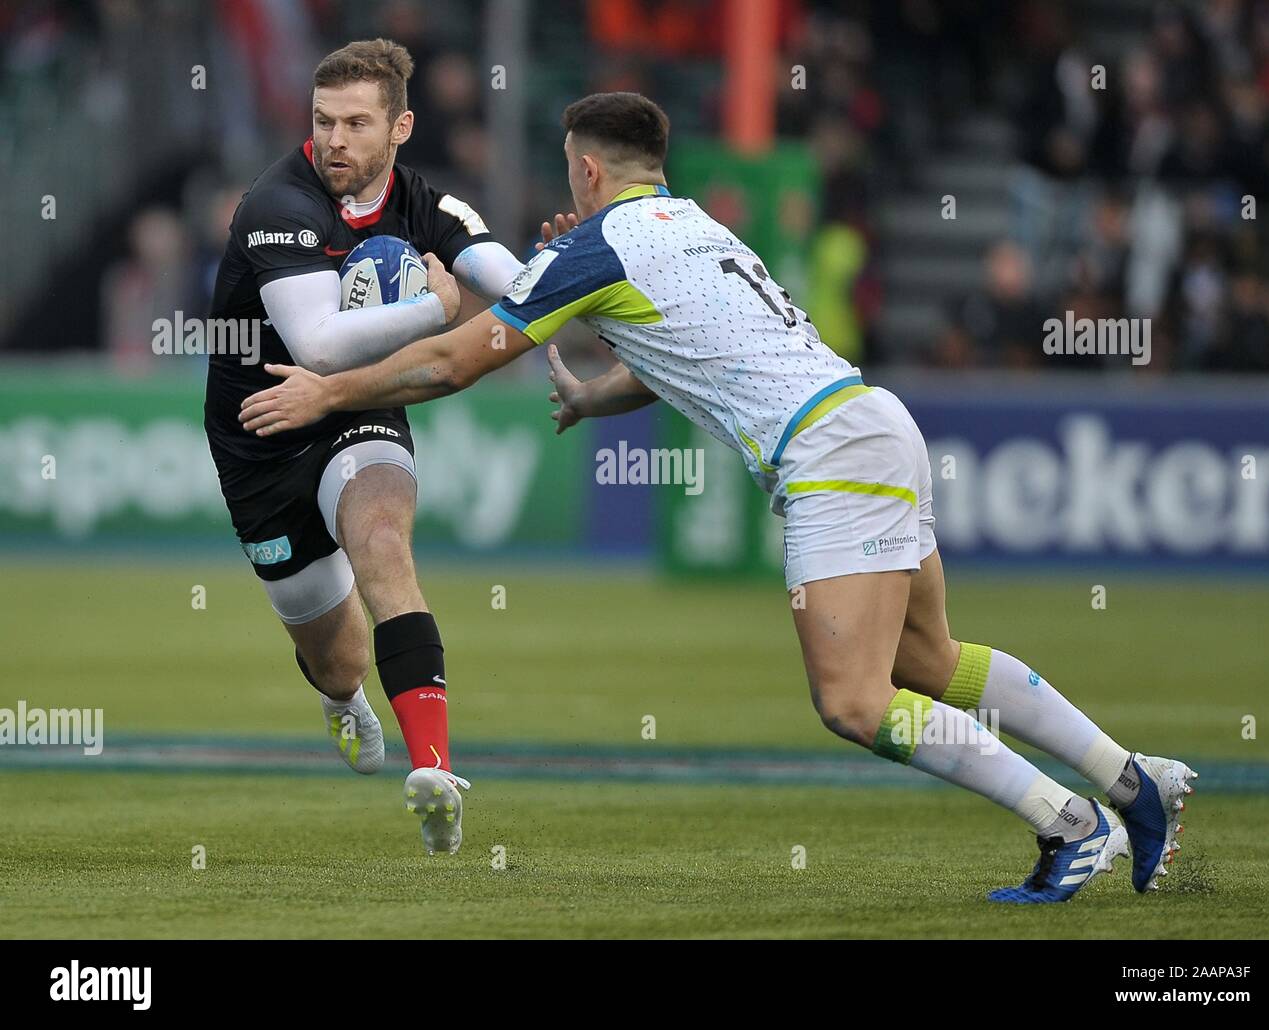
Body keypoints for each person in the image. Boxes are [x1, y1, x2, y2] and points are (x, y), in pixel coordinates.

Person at [238, 91, 1197, 901]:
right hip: (871, 421)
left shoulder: (597, 247)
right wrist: (595, 397)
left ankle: (1067, 824)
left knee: (855, 703)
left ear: (584, 170)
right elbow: (688, 357)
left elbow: (451, 364)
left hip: (830, 456)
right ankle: (1132, 781)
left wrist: (326, 389)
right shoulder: (698, 226)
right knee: (932, 660)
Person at [205, 39, 529, 856]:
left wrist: (570, 305)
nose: (335, 140)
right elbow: (315, 346)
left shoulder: (429, 206)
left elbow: (510, 278)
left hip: (355, 413)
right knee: (337, 659)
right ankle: (344, 700)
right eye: (323, 121)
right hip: (265, 436)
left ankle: (435, 772)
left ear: (401, 127)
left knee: (383, 542)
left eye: (356, 122)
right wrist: (435, 311)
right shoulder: (275, 205)